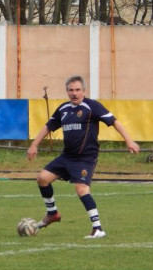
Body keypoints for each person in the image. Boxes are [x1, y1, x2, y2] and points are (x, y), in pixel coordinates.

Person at [26, 75, 140, 239]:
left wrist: (129, 141)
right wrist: (34, 145)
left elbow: (115, 122)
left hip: (85, 157)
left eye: (77, 90)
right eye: (71, 90)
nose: (74, 93)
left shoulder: (92, 106)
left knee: (81, 188)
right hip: (67, 156)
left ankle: (98, 228)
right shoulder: (63, 109)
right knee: (42, 178)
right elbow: (48, 126)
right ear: (67, 92)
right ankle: (52, 214)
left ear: (84, 91)